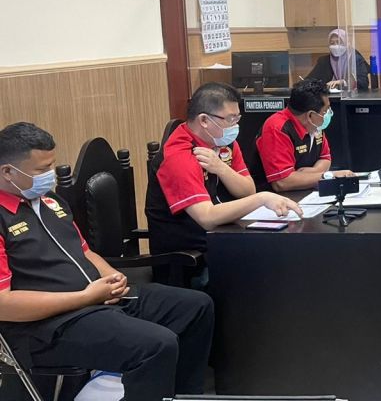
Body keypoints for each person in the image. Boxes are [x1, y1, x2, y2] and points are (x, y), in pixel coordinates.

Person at [0, 122, 214, 401]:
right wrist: (85, 297)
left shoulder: (50, 202)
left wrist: (112, 276)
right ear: (8, 172)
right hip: (47, 326)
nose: (50, 176)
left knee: (195, 307)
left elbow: (85, 251)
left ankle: (181, 395)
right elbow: (4, 304)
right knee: (156, 345)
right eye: (42, 170)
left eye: (52, 165)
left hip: (95, 300)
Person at [146, 82, 300, 256]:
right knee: (276, 254)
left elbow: (248, 190)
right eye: (230, 119)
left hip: (222, 236)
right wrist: (262, 198)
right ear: (204, 120)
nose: (235, 126)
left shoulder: (223, 142)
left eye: (237, 118)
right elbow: (207, 217)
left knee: (287, 243)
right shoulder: (179, 156)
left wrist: (221, 168)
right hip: (190, 255)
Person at [253, 78, 355, 192]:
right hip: (275, 197)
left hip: (307, 191)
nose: (328, 113)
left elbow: (325, 157)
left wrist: (312, 172)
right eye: (325, 111)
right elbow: (282, 182)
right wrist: (328, 176)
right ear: (310, 115)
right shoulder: (277, 128)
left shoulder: (315, 125)